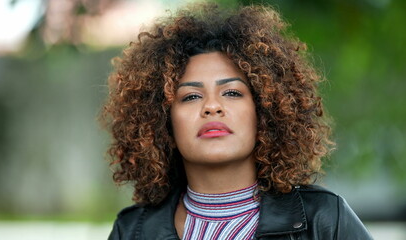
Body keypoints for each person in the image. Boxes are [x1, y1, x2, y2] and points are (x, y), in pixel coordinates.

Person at [101, 2, 373, 240]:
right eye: (191, 96)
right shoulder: (133, 230)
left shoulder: (324, 220)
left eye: (231, 92)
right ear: (163, 122)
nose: (212, 107)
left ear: (265, 112)